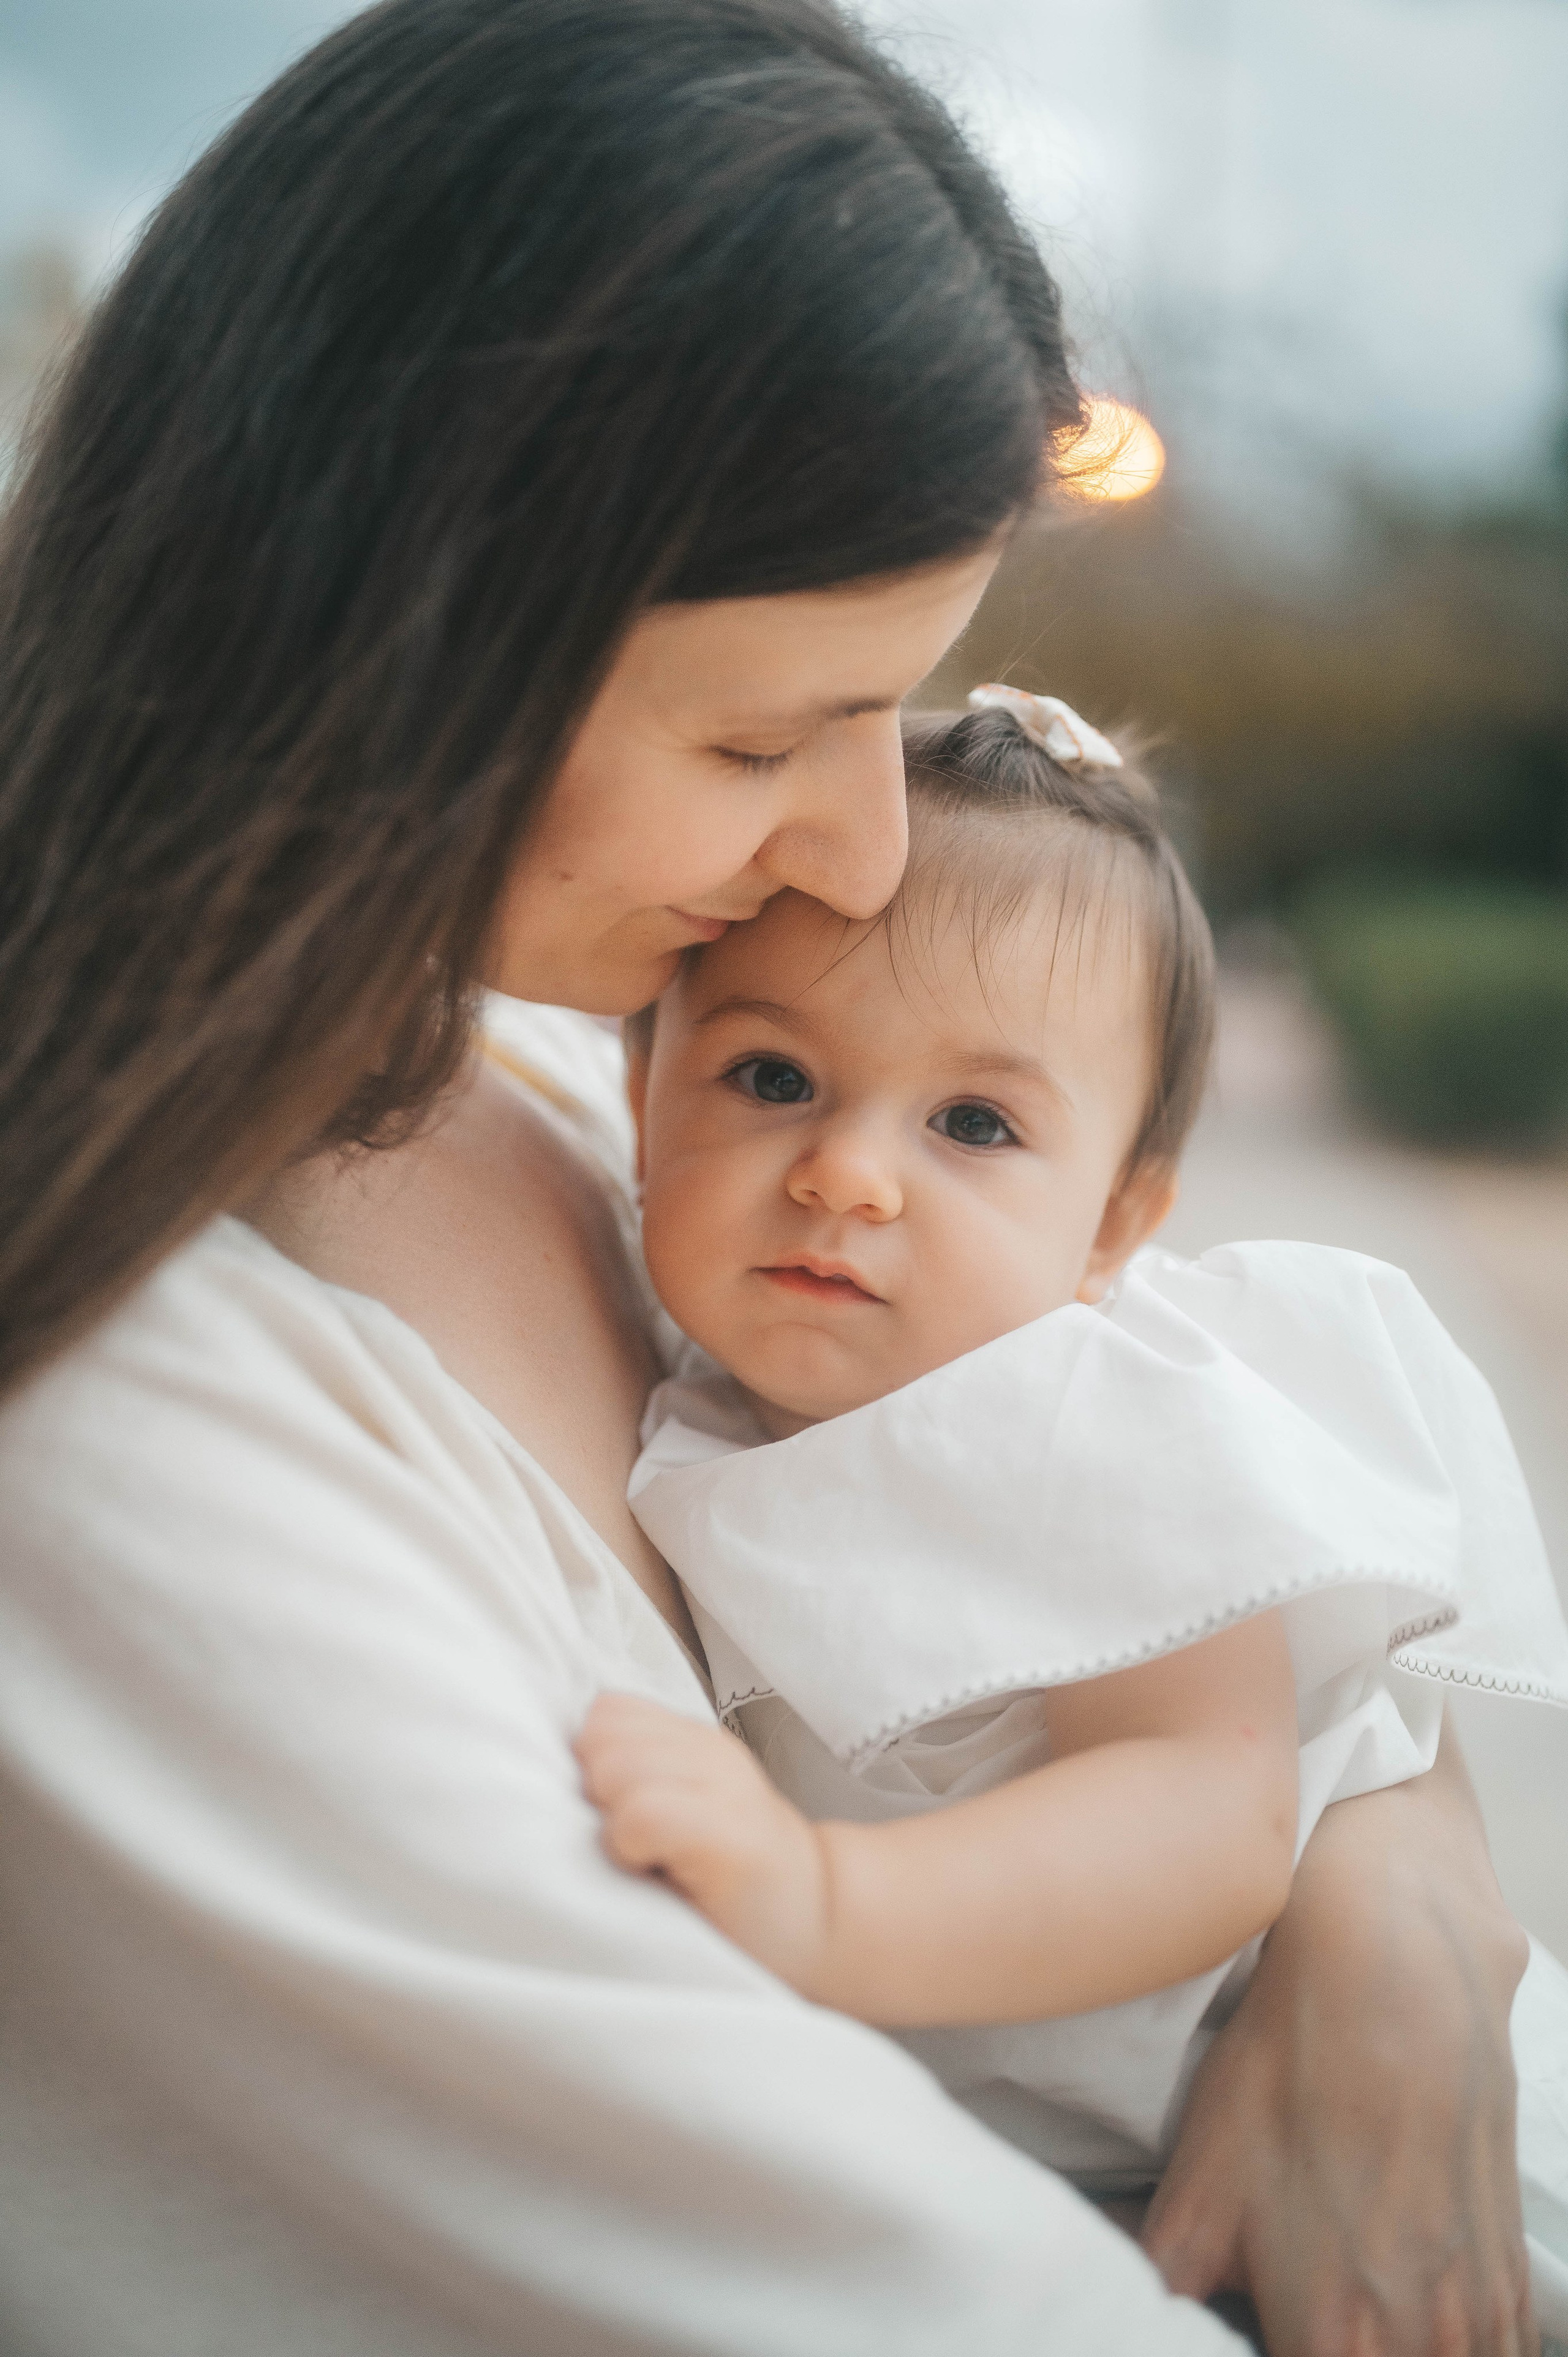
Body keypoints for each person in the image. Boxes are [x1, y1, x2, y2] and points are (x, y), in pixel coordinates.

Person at [0, 0, 1542, 2350]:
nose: (866, 843)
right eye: (766, 734)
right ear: (407, 622)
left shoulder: (530, 1043)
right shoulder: (109, 1416)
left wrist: (1391, 1877)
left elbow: (1180, 1549)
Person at [584, 690, 1568, 2340]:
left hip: (1426, 2181)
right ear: (639, 1085)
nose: (848, 1175)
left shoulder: (1073, 1415)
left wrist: (830, 1907)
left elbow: (1214, 1803)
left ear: (1116, 1218)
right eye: (771, 1074)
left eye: (975, 1124)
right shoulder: (744, 1394)